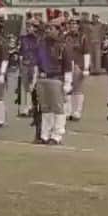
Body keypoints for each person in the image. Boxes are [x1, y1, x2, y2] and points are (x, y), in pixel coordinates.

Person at [33, 17, 73, 145]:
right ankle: (45, 134)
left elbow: (68, 66)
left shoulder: (63, 46)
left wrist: (68, 83)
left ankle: (57, 135)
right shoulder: (41, 45)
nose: (48, 31)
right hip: (43, 78)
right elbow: (37, 64)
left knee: (58, 108)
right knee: (45, 108)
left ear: (58, 30)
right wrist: (34, 80)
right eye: (47, 29)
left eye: (51, 29)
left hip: (56, 79)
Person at [64, 16, 92, 121]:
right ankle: (68, 111)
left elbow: (86, 53)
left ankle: (77, 111)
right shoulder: (65, 36)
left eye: (75, 24)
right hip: (67, 65)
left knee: (78, 89)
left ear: (78, 26)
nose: (72, 26)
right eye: (71, 24)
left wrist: (86, 67)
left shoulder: (82, 37)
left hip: (78, 65)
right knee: (67, 89)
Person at [16, 14, 41, 117]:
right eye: (27, 26)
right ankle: (27, 107)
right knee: (26, 87)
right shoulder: (23, 39)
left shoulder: (39, 39)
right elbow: (21, 52)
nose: (28, 28)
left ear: (35, 28)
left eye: (30, 26)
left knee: (34, 86)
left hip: (35, 65)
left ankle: (35, 106)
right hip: (25, 64)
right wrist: (20, 64)